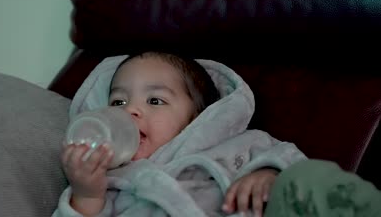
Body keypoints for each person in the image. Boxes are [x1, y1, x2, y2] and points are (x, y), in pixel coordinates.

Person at [53, 51, 307, 217]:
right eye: (118, 102)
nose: (130, 110)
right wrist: (87, 195)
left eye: (155, 100)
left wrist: (269, 174)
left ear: (197, 117)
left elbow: (294, 163)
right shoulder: (109, 179)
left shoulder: (238, 145)